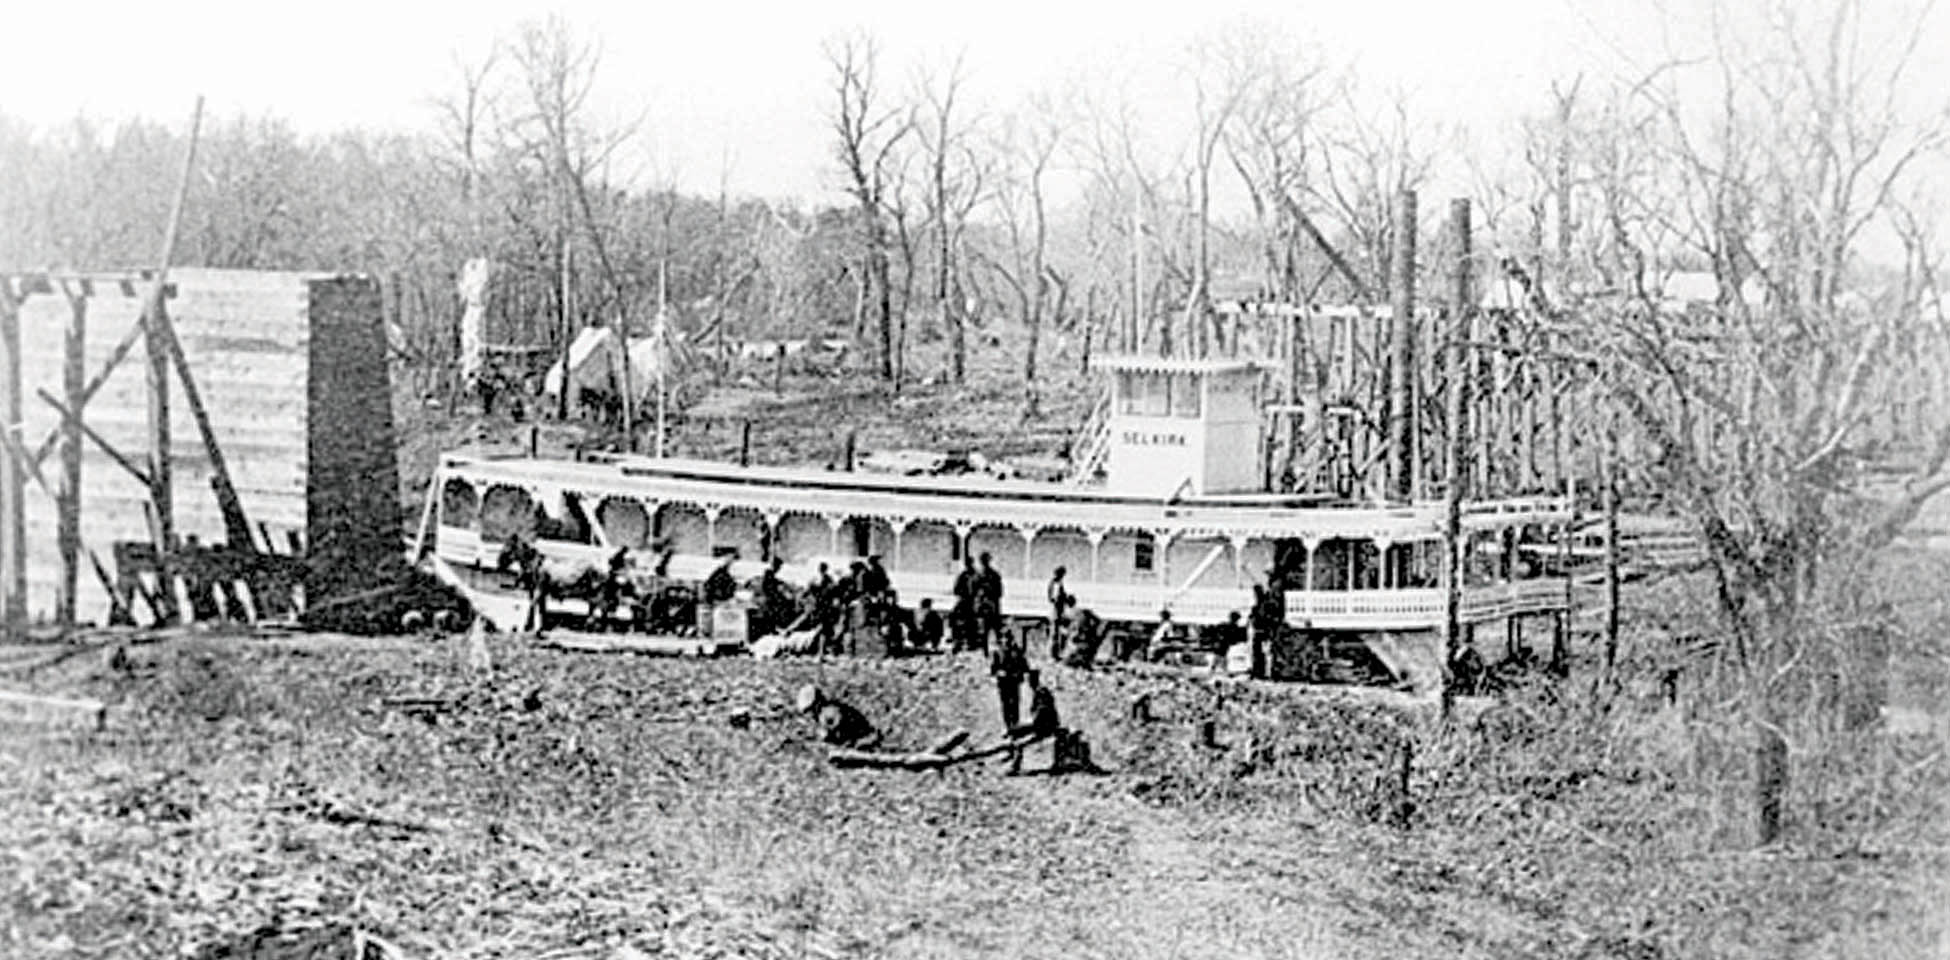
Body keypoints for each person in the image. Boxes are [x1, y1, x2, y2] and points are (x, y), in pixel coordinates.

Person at [1007, 670, 1063, 774]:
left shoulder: (1041, 693)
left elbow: (1042, 714)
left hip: (1046, 727)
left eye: (1030, 680)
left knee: (1019, 744)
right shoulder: (1039, 692)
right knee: (1015, 734)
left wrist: (1027, 727)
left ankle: (1015, 768)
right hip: (1042, 724)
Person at [795, 683, 878, 748]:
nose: (810, 715)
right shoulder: (830, 708)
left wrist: (826, 736)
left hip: (862, 739)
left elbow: (839, 730)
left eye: (809, 711)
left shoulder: (829, 713)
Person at [989, 625, 1029, 729]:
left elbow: (1024, 666)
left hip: (1014, 681)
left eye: (1007, 637)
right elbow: (993, 669)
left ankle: (1015, 724)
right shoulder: (997, 652)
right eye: (1002, 638)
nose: (1005, 640)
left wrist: (1018, 673)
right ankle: (1008, 725)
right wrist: (999, 673)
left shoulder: (1017, 651)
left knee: (1014, 702)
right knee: (1005, 704)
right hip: (1003, 682)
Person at [951, 556, 981, 650]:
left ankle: (970, 642)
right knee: (956, 619)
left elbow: (978, 589)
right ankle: (958, 641)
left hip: (971, 602)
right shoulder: (964, 575)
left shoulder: (974, 575)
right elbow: (956, 589)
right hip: (965, 601)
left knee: (970, 622)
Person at [976, 552, 1005, 649]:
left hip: (990, 604)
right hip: (986, 605)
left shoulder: (992, 575)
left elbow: (999, 591)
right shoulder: (980, 575)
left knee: (994, 628)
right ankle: (986, 649)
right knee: (986, 628)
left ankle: (996, 648)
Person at [1046, 566, 1074, 661]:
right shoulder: (1056, 584)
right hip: (1056, 611)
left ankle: (1055, 653)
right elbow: (1054, 598)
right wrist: (1065, 599)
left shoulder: (1056, 583)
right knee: (1055, 633)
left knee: (1057, 633)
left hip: (1058, 611)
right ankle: (1053, 654)